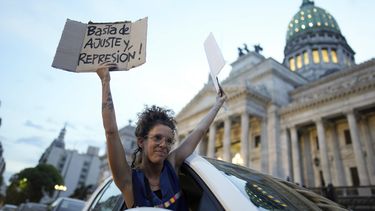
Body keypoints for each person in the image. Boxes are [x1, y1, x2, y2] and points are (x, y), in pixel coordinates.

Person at [97, 63, 227, 210]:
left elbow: (200, 131)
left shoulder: (172, 165)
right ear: (141, 141)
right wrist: (105, 80)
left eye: (169, 140)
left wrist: (218, 104)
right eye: (157, 138)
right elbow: (111, 132)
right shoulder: (128, 180)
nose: (164, 144)